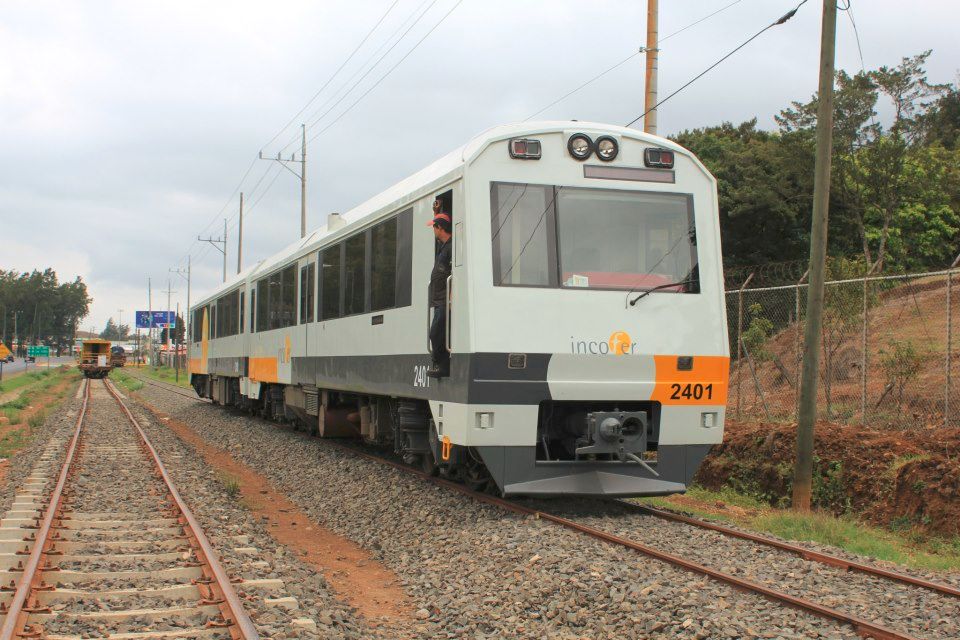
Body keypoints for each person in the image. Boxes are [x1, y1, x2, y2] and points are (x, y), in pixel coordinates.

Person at [427, 200, 452, 378]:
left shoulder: (451, 247)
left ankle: (442, 366)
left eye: (434, 226)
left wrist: (451, 296)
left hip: (445, 298)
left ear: (440, 228)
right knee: (437, 332)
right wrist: (436, 213)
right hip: (438, 298)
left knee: (436, 332)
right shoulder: (443, 246)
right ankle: (439, 365)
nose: (433, 230)